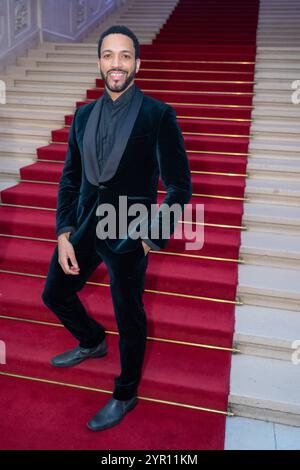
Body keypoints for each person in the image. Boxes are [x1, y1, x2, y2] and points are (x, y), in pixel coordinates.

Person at [41, 25, 192, 432]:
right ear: (99, 63)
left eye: (125, 56)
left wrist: (148, 236)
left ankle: (125, 393)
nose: (116, 64)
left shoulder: (158, 115)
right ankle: (91, 340)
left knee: (129, 316)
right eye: (109, 55)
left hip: (130, 227)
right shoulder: (84, 115)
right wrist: (64, 231)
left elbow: (180, 187)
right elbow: (70, 178)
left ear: (137, 64)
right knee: (54, 292)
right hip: (86, 223)